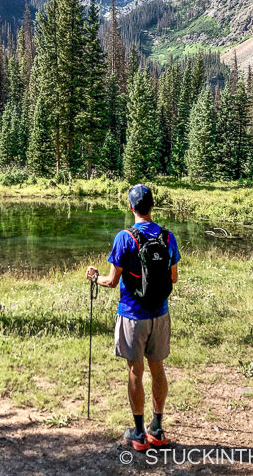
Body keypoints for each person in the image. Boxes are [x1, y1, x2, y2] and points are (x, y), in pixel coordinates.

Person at [86, 184, 180, 450]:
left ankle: (138, 434)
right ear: (152, 206)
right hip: (160, 314)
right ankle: (157, 429)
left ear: (131, 207)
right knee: (157, 368)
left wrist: (94, 277)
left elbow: (112, 281)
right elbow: (173, 277)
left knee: (135, 371)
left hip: (132, 316)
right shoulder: (167, 237)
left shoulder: (124, 238)